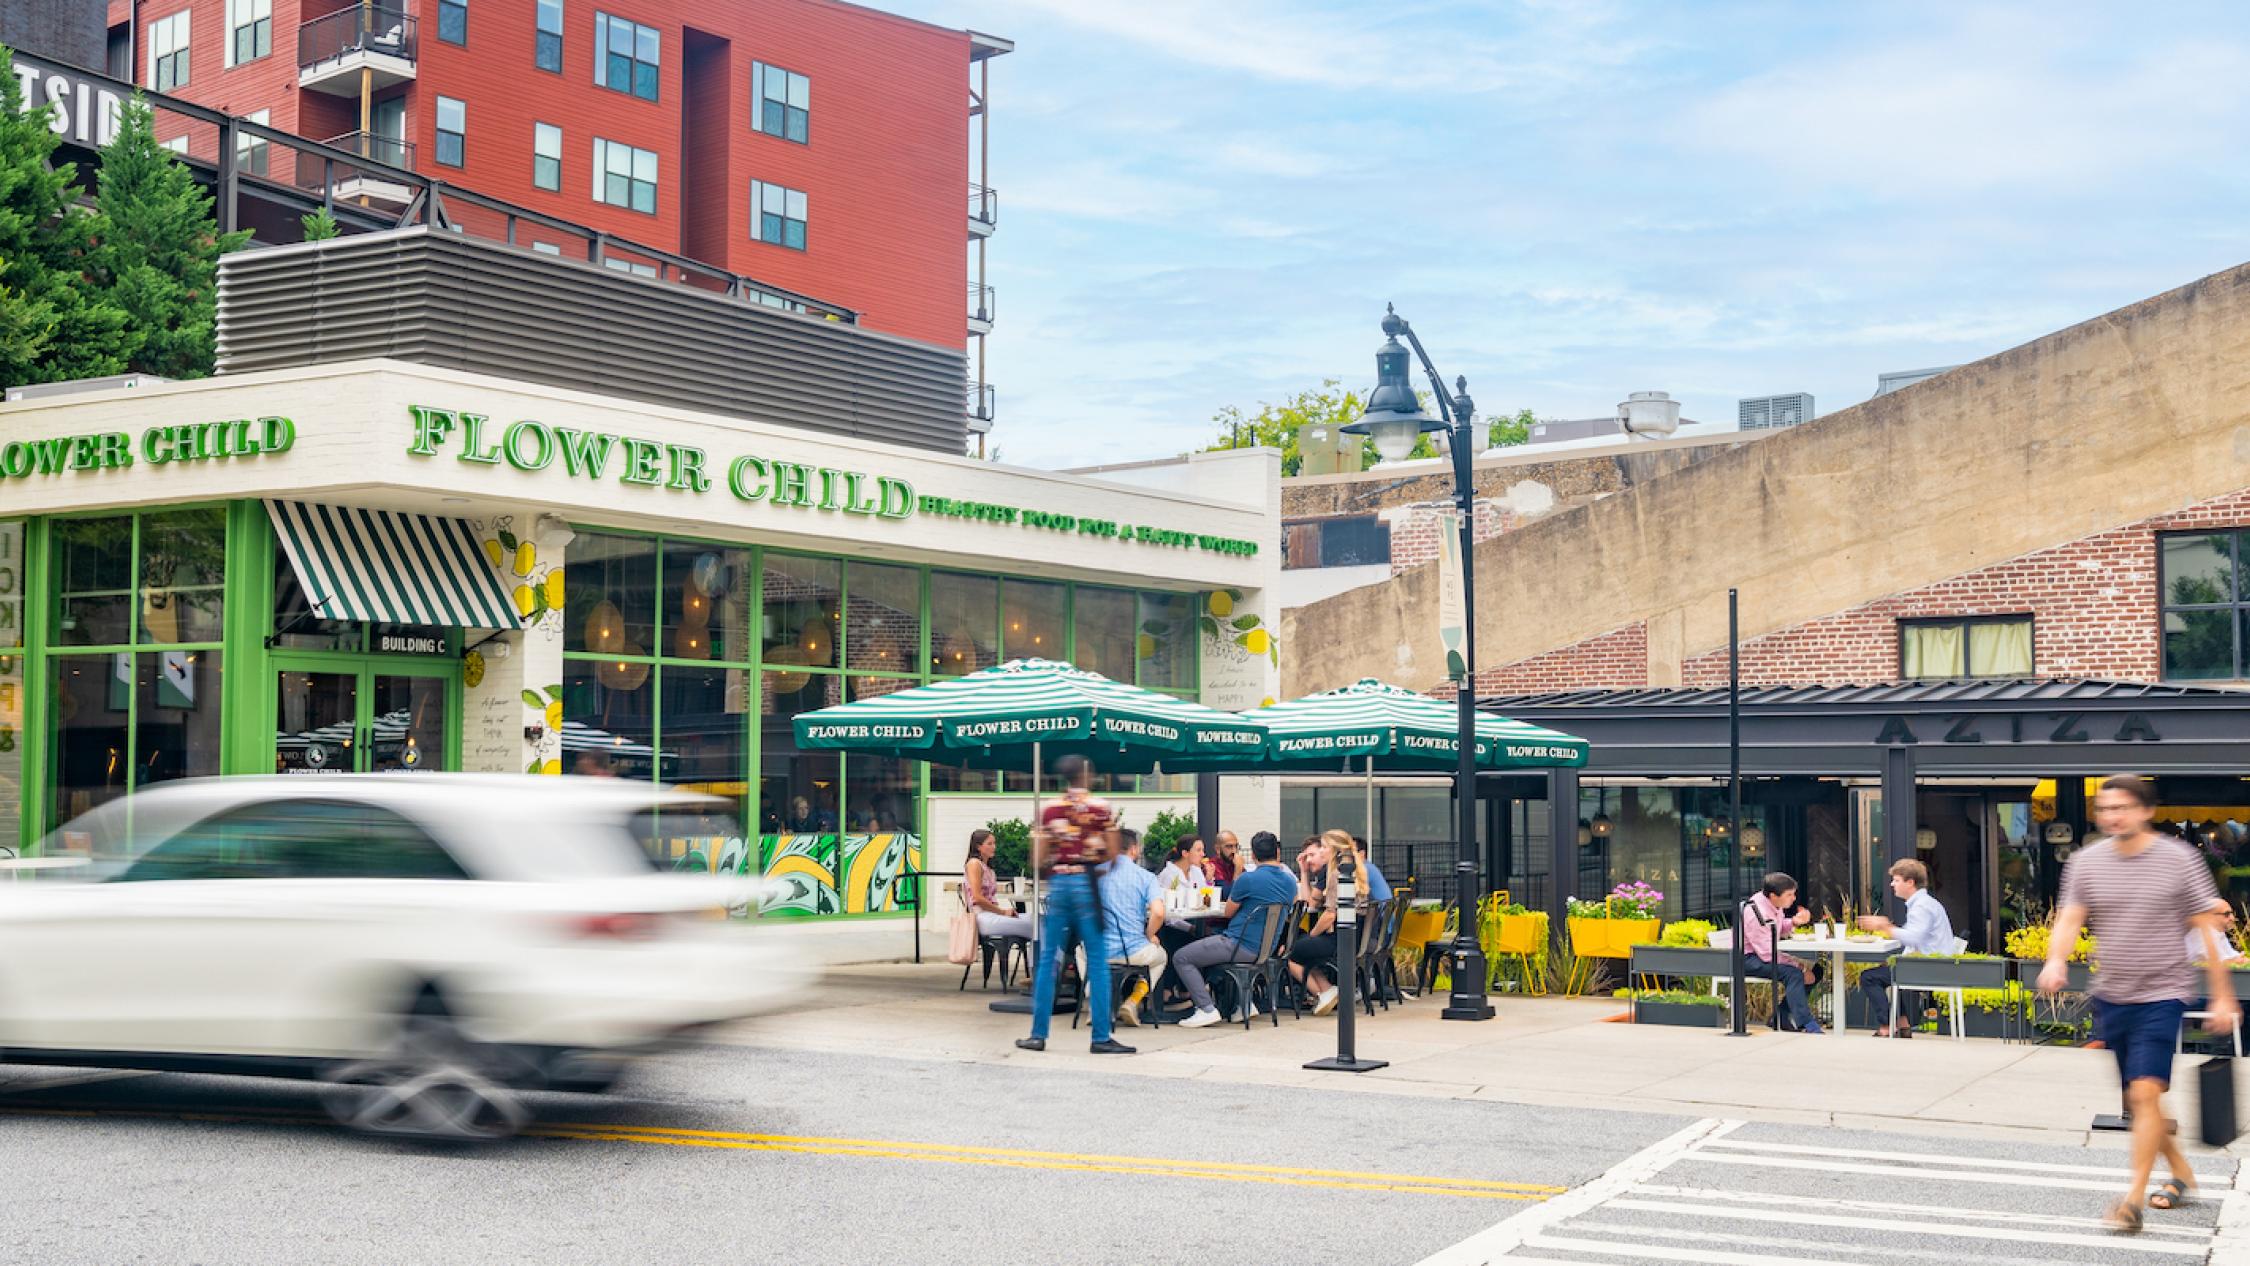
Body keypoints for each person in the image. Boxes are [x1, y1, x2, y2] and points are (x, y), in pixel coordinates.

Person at [2038, 775, 2237, 1234]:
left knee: (2146, 1093)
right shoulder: (2086, 862)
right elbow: (2070, 917)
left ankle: (2132, 1200)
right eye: (2105, 809)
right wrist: (2055, 961)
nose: (2112, 817)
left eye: (2122, 807)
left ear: (2146, 810)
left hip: (2162, 993)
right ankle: (2182, 1173)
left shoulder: (2178, 859)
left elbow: (2207, 926)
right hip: (2113, 994)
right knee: (2138, 1101)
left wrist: (2223, 993)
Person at [1017, 756, 1134, 1056]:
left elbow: (1038, 856)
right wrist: (1096, 862)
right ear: (1086, 774)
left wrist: (1056, 857)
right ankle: (1100, 1036)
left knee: (1047, 959)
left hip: (1059, 884)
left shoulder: (1050, 809)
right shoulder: (1099, 808)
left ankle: (1038, 1034)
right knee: (1097, 959)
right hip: (1086, 882)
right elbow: (1111, 852)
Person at [1176, 832, 1298, 1027]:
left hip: (1238, 945)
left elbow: (1229, 912)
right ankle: (1243, 1005)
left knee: (1182, 957)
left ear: (1254, 856)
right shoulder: (1291, 882)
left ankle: (1206, 1008)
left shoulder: (1247, 879)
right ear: (1276, 852)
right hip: (1266, 949)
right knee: (1210, 944)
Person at [1854, 858, 1955, 1038]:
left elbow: (1913, 937)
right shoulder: (1925, 903)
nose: (1892, 884)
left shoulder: (1921, 906)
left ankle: (1887, 1025)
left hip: (1929, 967)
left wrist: (1883, 926)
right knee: (1889, 972)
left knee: (1869, 978)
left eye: (1896, 880)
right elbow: (1917, 941)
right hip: (1936, 964)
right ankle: (1902, 1024)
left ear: (1910, 882)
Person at [1086, 829, 1166, 1027]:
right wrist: (1149, 934)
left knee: (1081, 952)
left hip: (1098, 950)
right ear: (1134, 849)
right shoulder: (1146, 877)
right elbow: (1158, 912)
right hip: (1133, 951)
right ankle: (1133, 1001)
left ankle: (1096, 1002)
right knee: (1161, 957)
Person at [1740, 871, 1824, 1035]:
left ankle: (1781, 1016)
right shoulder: (1757, 912)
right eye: (1789, 895)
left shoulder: (1773, 905)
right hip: (1747, 959)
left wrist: (1793, 922)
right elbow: (1767, 954)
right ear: (1773, 895)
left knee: (1817, 970)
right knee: (1793, 974)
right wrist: (1799, 967)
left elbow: (1775, 929)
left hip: (1761, 954)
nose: (1793, 898)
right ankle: (1806, 1023)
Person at [1286, 830, 1357, 1016]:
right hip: (1352, 937)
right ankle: (1327, 990)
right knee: (1305, 949)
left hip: (1340, 939)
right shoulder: (1354, 868)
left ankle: (1321, 993)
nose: (1322, 851)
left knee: (1289, 951)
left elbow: (1330, 915)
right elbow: (1314, 903)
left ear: (1334, 849)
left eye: (1324, 847)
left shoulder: (1336, 873)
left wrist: (1312, 936)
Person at [962, 828, 1032, 940]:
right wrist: (1003, 912)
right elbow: (977, 898)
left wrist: (1001, 912)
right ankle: (1047, 956)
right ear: (978, 846)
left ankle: (1039, 956)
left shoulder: (989, 870)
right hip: (982, 918)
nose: (994, 847)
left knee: (1037, 919)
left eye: (994, 843)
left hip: (993, 915)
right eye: (989, 844)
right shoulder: (974, 864)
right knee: (1034, 926)